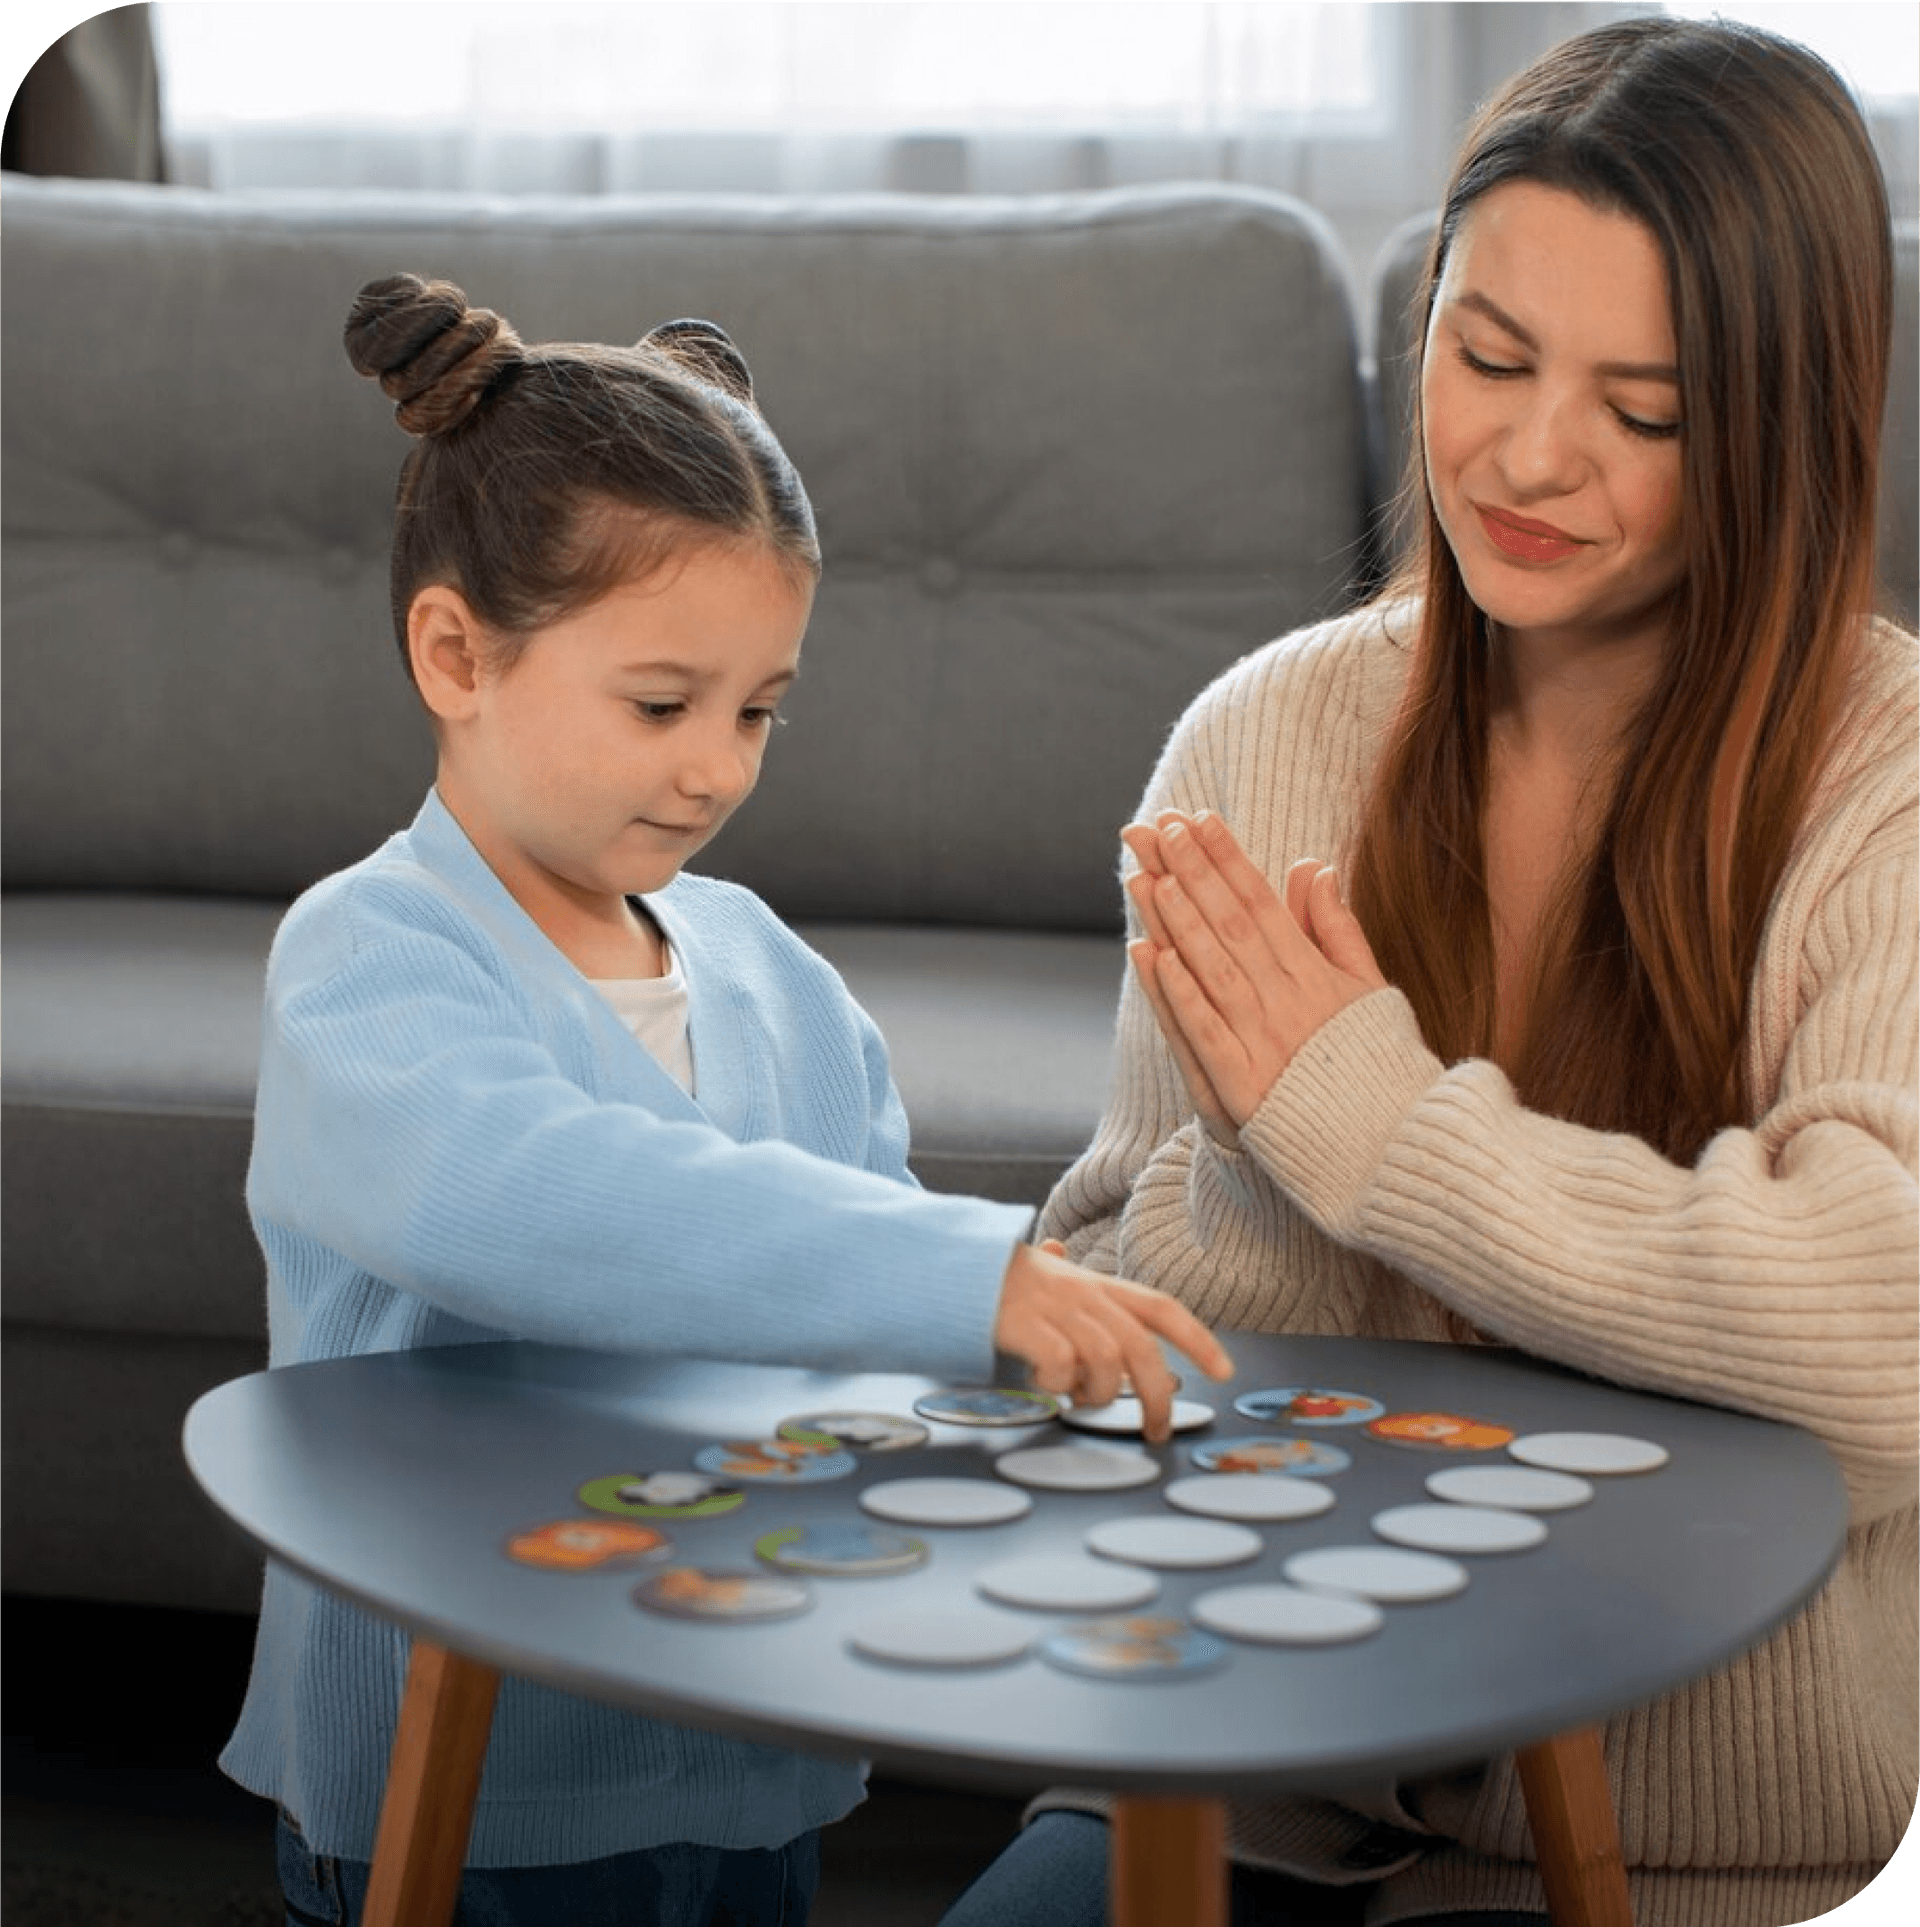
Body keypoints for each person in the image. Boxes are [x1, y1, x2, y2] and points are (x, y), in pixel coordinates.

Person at [942, 16, 1916, 1927]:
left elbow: (1887, 1332)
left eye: (1647, 411)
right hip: (1258, 1762)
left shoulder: (1888, 784)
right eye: (1487, 355)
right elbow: (1099, 1314)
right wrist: (1253, 1174)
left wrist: (1368, 1127)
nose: (1532, 456)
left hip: (1696, 1818)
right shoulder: (1262, 741)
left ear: (1789, 423)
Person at [217, 272, 1233, 1927]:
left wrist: (1041, 1389)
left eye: (759, 709)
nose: (719, 767)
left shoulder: (766, 964)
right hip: (471, 1792)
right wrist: (965, 1275)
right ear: (454, 652)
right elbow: (551, 1201)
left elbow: (865, 1268)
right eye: (662, 704)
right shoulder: (367, 960)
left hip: (744, 1748)